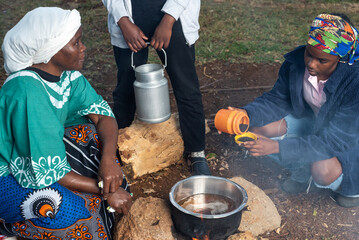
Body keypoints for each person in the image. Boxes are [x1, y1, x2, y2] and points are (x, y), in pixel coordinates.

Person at [0, 7, 132, 239]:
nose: (83, 48)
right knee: (74, 213)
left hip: (43, 159)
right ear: (51, 51)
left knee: (90, 134)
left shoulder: (68, 76)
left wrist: (109, 161)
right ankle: (9, 225)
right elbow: (47, 172)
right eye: (76, 43)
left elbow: (102, 116)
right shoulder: (27, 92)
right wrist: (104, 189)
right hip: (8, 173)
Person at [232, 13, 359, 208]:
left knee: (322, 170)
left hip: (348, 141)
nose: (311, 64)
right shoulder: (296, 63)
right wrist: (247, 114)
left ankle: (351, 184)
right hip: (316, 123)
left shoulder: (354, 82)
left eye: (322, 61)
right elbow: (277, 99)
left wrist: (277, 148)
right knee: (256, 129)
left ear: (341, 59)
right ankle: (301, 170)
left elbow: (336, 141)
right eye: (309, 54)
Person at [102, 0, 211, 175]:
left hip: (175, 19)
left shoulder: (171, 20)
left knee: (186, 87)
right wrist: (123, 21)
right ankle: (115, 152)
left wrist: (168, 20)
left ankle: (196, 152)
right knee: (125, 89)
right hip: (129, 16)